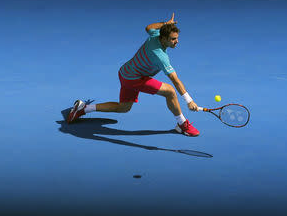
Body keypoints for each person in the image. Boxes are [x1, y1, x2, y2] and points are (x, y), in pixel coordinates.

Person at [67, 13, 200, 137]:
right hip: (135, 78)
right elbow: (175, 80)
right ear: (164, 38)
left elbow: (148, 27)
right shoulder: (160, 56)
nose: (177, 41)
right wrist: (189, 100)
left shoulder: (155, 34)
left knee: (123, 108)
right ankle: (182, 124)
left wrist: (165, 24)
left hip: (125, 72)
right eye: (173, 39)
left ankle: (83, 109)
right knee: (170, 91)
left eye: (177, 38)